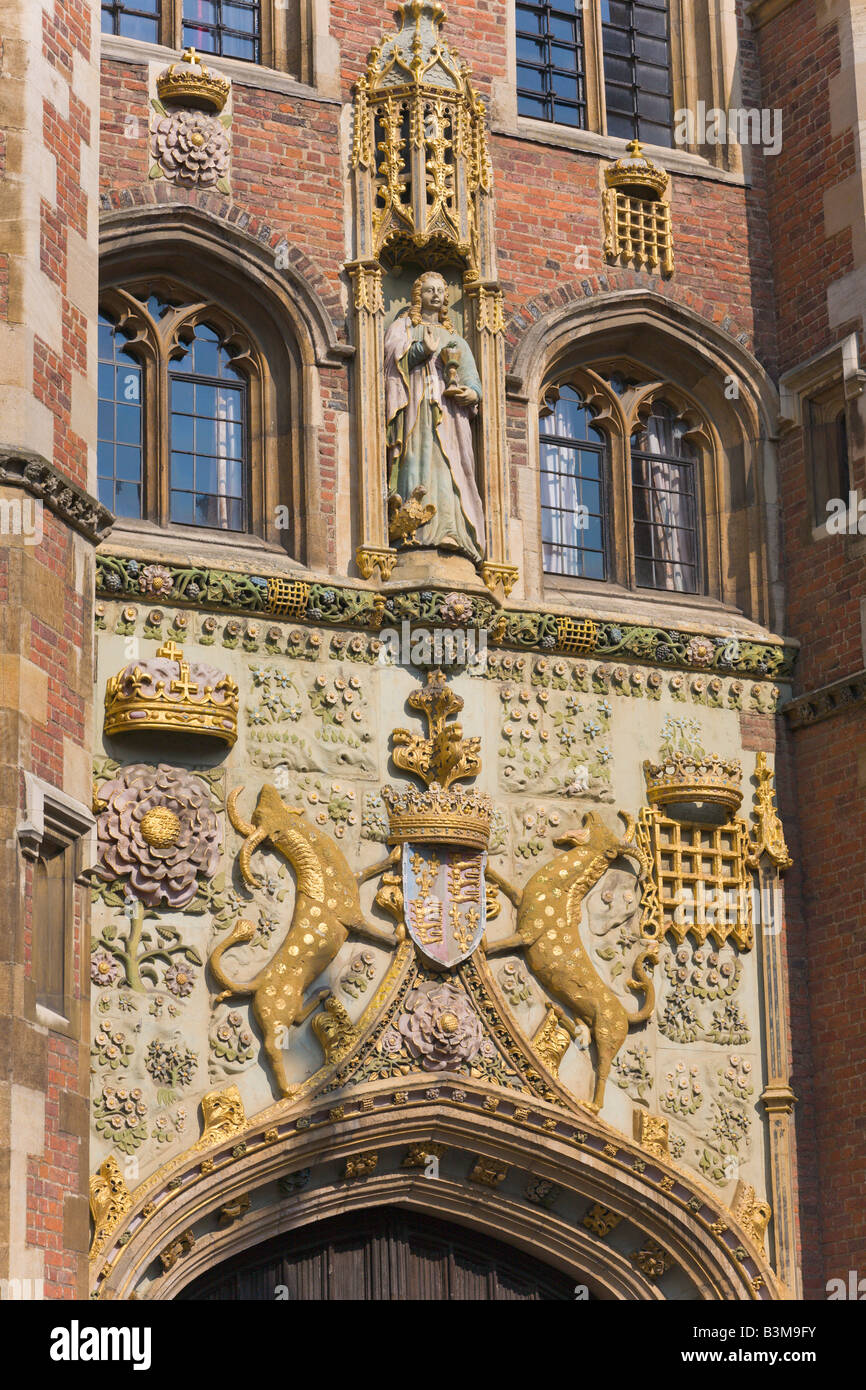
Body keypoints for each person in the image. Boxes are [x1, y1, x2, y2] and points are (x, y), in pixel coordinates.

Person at [384, 270, 485, 561]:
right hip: (415, 411)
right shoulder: (403, 327)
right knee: (417, 460)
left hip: (450, 415)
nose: (437, 295)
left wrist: (472, 394)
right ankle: (415, 530)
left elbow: (472, 378)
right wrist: (421, 350)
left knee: (451, 465)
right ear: (418, 296)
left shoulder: (456, 340)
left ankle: (453, 530)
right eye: (429, 290)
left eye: (441, 290)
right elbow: (391, 364)